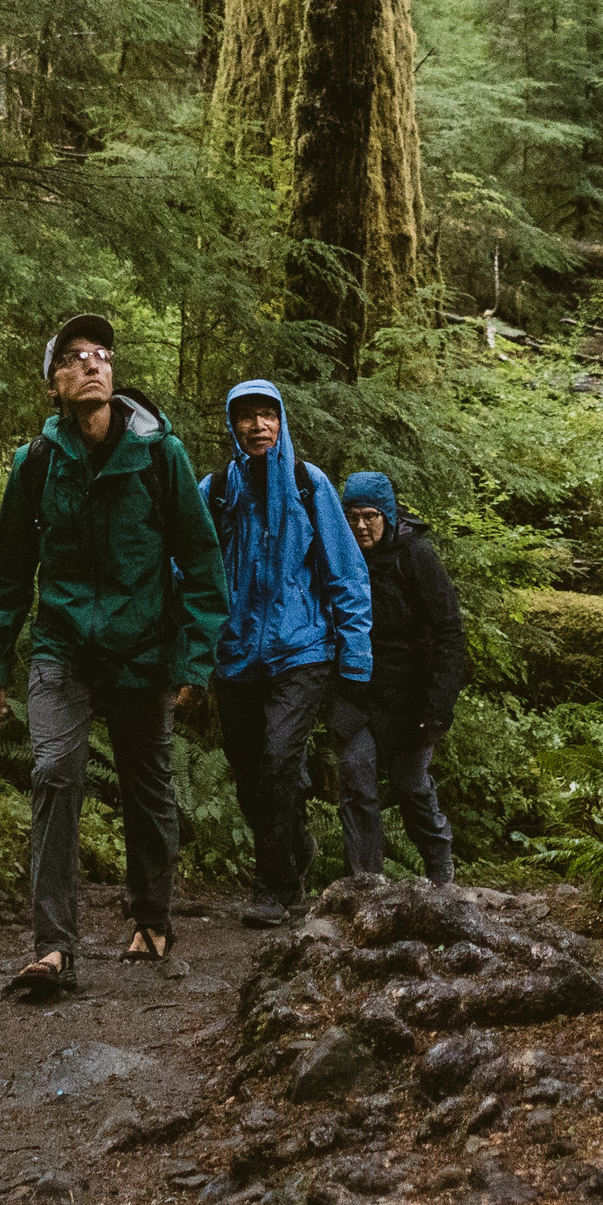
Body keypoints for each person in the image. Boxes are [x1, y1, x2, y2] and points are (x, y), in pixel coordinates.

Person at [0, 313, 224, 994]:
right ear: (54, 385)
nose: (93, 363)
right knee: (56, 770)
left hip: (143, 650)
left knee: (148, 788)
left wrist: (194, 658)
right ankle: (54, 946)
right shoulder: (36, 463)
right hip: (62, 648)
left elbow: (202, 565)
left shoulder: (159, 456)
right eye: (75, 356)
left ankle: (151, 917)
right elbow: (7, 569)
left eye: (103, 354)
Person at [204, 378, 372, 929]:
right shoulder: (217, 491)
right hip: (235, 656)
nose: (259, 426)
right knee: (253, 774)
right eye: (248, 417)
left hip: (301, 649)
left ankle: (272, 886)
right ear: (234, 426)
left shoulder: (309, 484)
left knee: (278, 760)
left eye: (267, 415)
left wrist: (355, 655)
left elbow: (344, 570)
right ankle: (294, 853)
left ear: (281, 421)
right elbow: (193, 570)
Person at [328, 471, 465, 885]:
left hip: (412, 699)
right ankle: (365, 883)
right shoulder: (337, 557)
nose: (360, 526)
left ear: (387, 515)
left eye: (370, 515)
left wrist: (439, 707)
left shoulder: (416, 557)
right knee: (355, 777)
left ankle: (440, 874)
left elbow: (449, 633)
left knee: (411, 787)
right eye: (351, 516)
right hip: (357, 694)